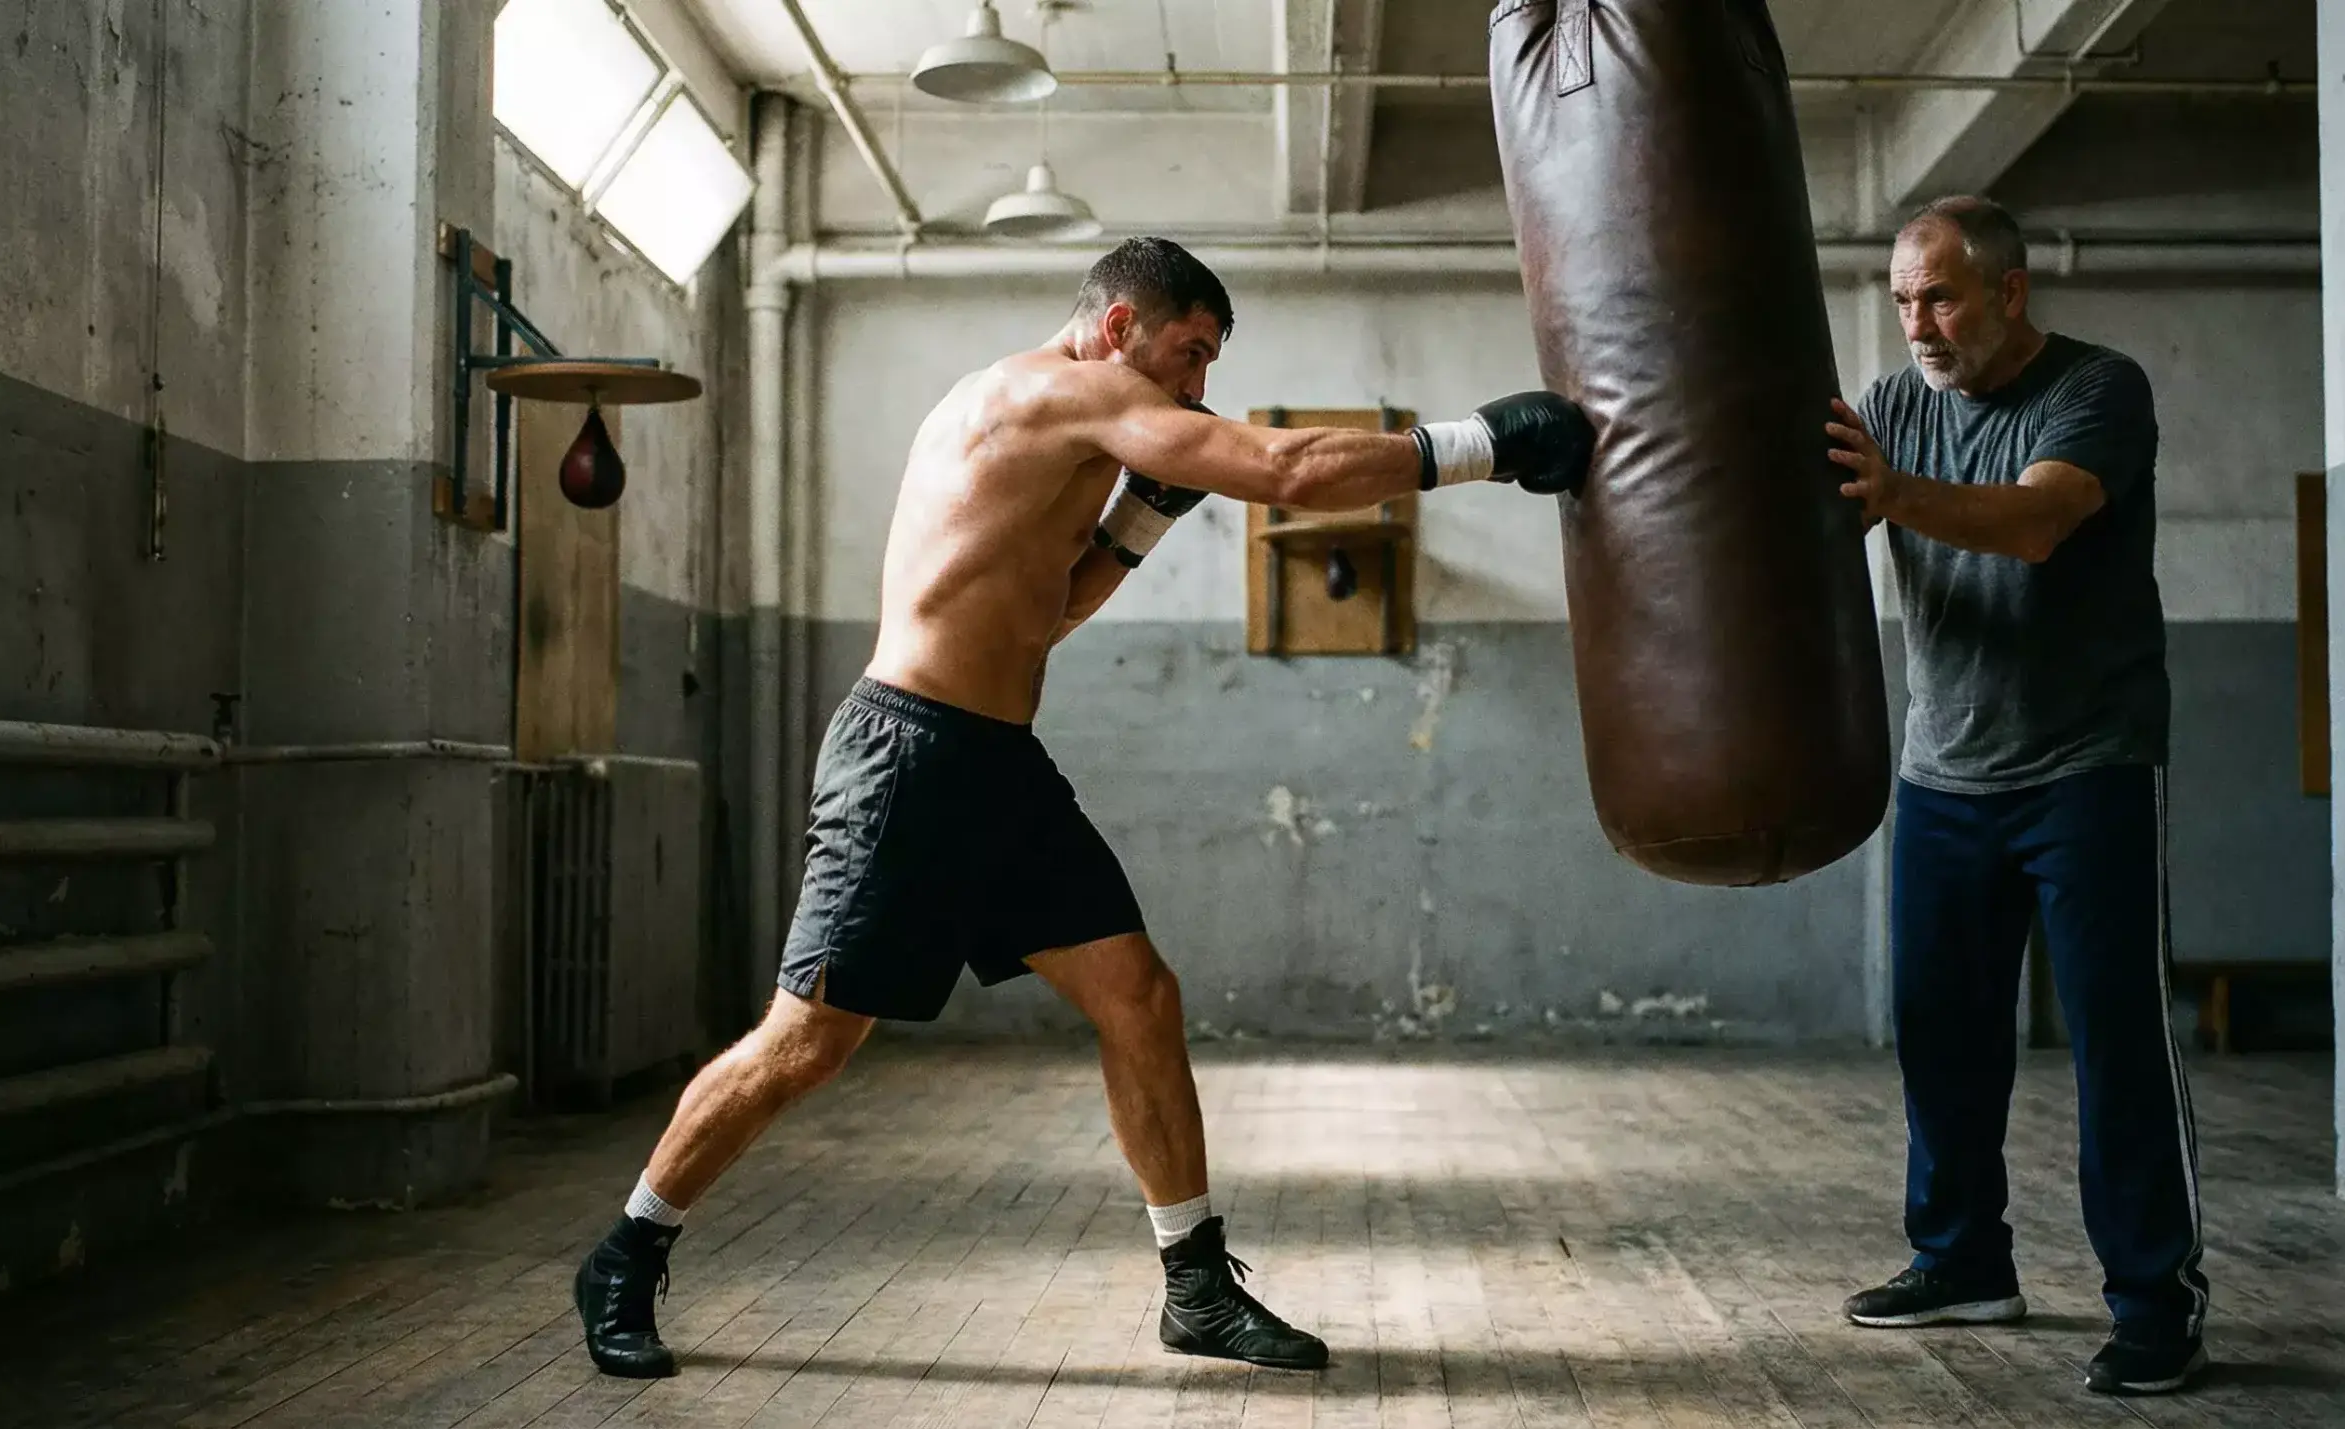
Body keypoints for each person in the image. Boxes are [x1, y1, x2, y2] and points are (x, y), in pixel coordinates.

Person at [572, 236, 1596, 1379]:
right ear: (1119, 328)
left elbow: (1045, 612)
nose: (1197, 383)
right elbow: (1290, 471)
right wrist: (1485, 444)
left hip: (996, 764)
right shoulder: (1058, 391)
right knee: (808, 1041)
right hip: (907, 759)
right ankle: (625, 1252)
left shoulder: (1056, 423)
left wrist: (1139, 525)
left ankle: (1196, 1288)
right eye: (1189, 351)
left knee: (1139, 997)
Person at [1825, 196, 2209, 1396]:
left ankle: (2156, 1301)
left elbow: (2039, 522)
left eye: (1938, 297)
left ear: (2009, 291)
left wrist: (1893, 497)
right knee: (1939, 1032)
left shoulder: (2100, 391)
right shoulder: (1893, 408)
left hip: (2087, 762)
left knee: (2116, 1046)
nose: (1917, 325)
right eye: (1899, 301)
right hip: (1943, 769)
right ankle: (1960, 1260)